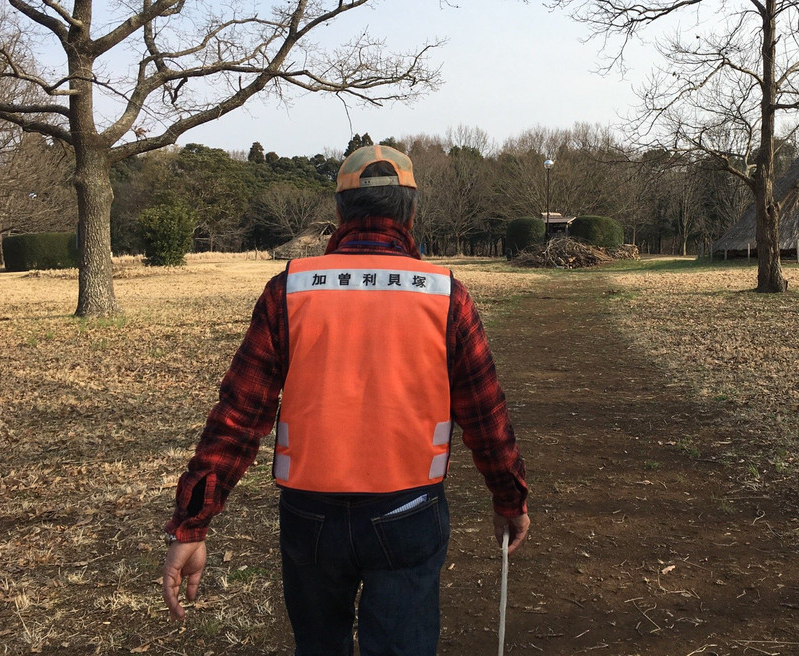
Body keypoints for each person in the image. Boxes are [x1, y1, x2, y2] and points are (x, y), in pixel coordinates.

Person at [161, 144, 530, 655]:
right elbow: (486, 413)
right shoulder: (445, 294)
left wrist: (192, 522)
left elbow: (239, 415)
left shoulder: (289, 289)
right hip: (410, 506)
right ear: (412, 211)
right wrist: (509, 497)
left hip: (309, 514)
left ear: (339, 211)